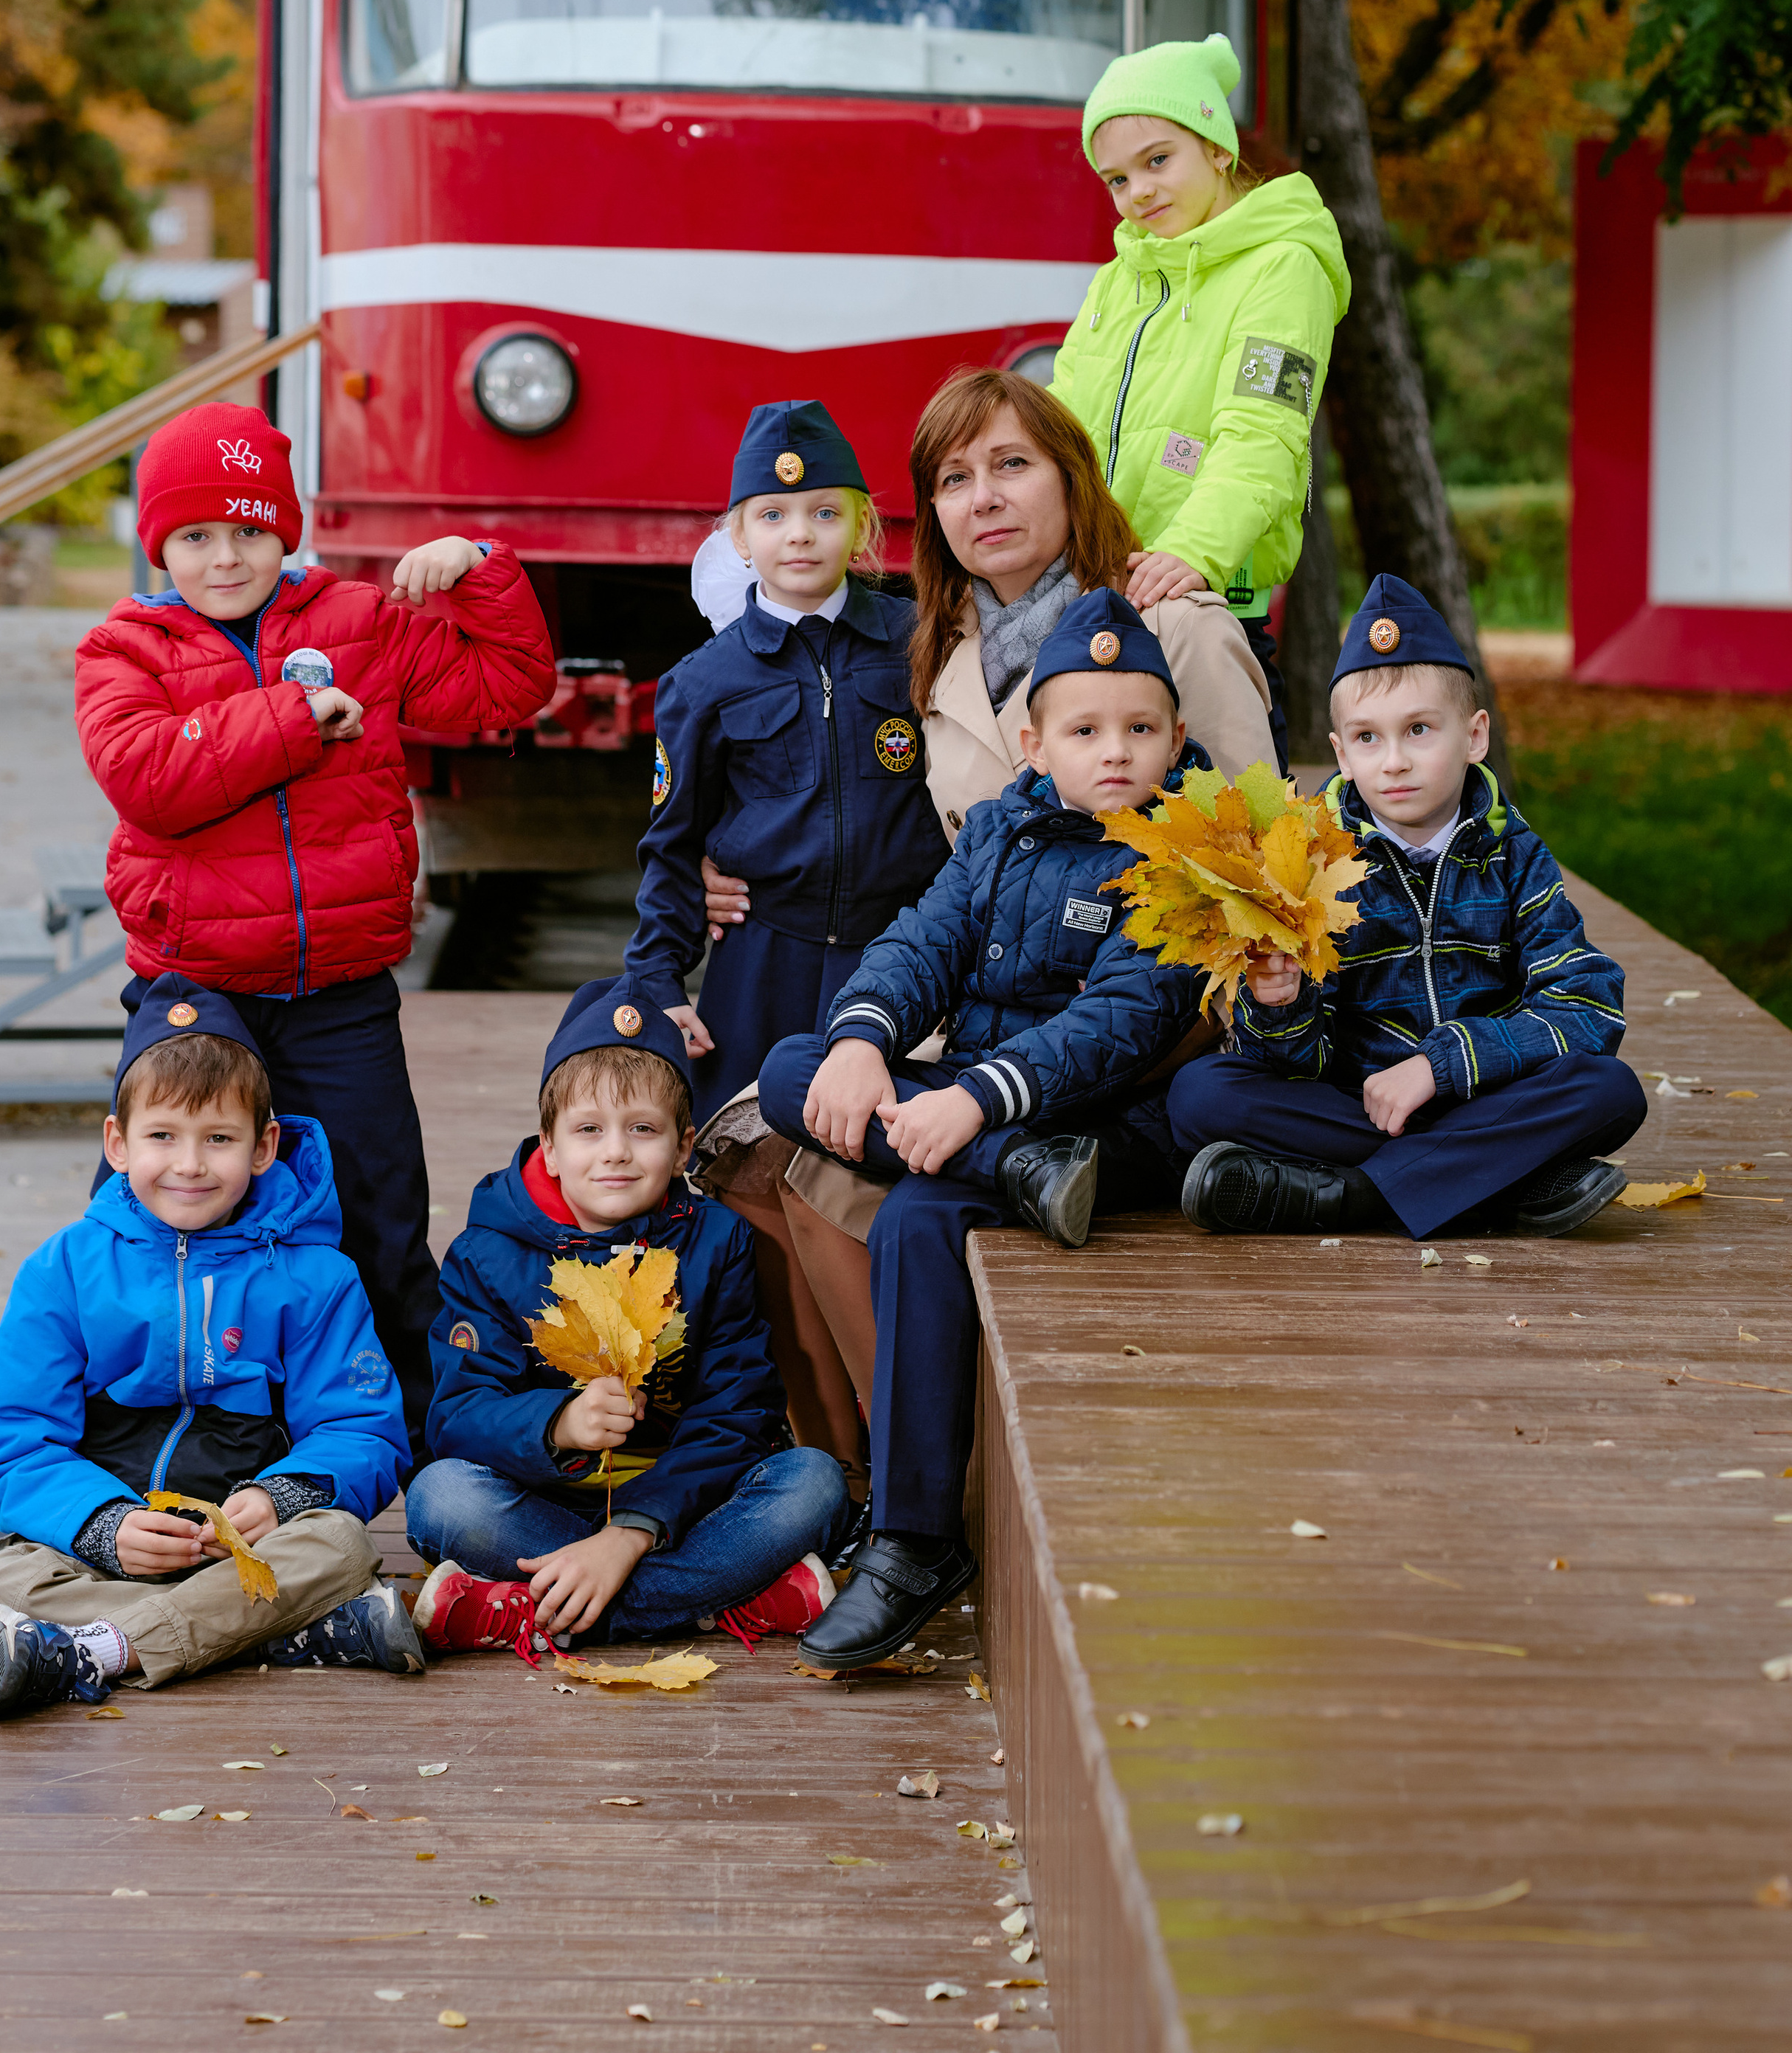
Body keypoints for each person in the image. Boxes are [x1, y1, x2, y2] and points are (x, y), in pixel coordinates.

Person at [701, 367, 1267, 1386]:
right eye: (954, 480)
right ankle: (854, 1467)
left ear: (1072, 480)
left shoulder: (1172, 629)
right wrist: (719, 854)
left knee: (853, 1171)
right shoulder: (938, 648)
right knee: (770, 1120)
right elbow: (904, 836)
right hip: (987, 1020)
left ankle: (910, 1477)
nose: (984, 498)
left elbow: (1261, 854)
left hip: (1147, 1036)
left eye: (1012, 466)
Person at [75, 400, 555, 1458]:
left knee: (381, 1217)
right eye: (195, 536)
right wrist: (295, 720)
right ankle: (110, 1437)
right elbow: (150, 779)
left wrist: (479, 569)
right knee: (157, 1206)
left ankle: (435, 1439)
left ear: (283, 532)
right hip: (198, 990)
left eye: (248, 530)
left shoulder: (358, 625)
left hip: (340, 989)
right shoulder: (127, 648)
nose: (224, 556)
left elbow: (509, 687)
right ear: (161, 545)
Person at [757, 591, 1205, 1666]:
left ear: (1177, 741)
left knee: (918, 1218)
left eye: (1140, 731)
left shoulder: (1186, 857)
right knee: (791, 1071)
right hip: (997, 1126)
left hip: (1101, 1122)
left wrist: (973, 1100)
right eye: (1085, 732)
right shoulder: (1002, 829)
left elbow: (1122, 1020)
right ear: (1031, 741)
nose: (1114, 753)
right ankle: (1014, 1167)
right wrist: (866, 1043)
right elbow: (923, 942)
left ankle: (912, 1540)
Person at [619, 399, 948, 1463]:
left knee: (870, 1199)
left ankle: (900, 1432)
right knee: (761, 1207)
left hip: (894, 964)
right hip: (762, 968)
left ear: (862, 530)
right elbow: (669, 847)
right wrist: (662, 978)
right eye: (771, 514)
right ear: (737, 537)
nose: (797, 534)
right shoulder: (705, 683)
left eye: (820, 511)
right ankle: (810, 1451)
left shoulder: (915, 644)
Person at [0, 983, 415, 1722]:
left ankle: (92, 1651)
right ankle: (280, 1633)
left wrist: (282, 1496)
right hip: (107, 1543)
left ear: (265, 1146)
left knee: (338, 1546)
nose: (191, 1165)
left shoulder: (316, 1277)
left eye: (220, 1138)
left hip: (239, 1546)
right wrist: (103, 1527)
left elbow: (363, 1431)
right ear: (118, 1144)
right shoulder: (65, 1268)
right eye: (163, 1136)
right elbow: (13, 1445)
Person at [1168, 575, 1647, 1239]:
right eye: (1368, 738)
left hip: (1485, 1093)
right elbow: (1292, 1061)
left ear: (1474, 736)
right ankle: (1503, 1178)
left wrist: (1440, 1065)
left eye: (1419, 729)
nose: (1394, 762)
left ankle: (1349, 1197)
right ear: (1340, 752)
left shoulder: (1512, 854)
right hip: (1354, 1107)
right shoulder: (1310, 860)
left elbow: (1589, 1005)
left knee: (1609, 1090)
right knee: (1203, 1095)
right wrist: (1280, 1006)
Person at [405, 980, 853, 1655]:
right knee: (441, 1498)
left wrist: (628, 1535)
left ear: (682, 1148)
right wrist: (556, 1424)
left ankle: (531, 1612)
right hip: (545, 1504)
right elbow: (457, 1414)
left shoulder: (717, 1243)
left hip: (682, 1506)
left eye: (642, 1130)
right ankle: (714, 1601)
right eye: (589, 1130)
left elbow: (738, 1412)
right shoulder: (485, 1254)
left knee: (813, 1483)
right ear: (549, 1147)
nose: (615, 1151)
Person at [1051, 32, 1352, 769]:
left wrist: (1192, 550)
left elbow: (1263, 434)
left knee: (1227, 854)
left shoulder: (1282, 267)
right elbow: (1056, 427)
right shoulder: (1117, 282)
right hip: (1097, 610)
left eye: (1158, 160)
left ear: (1218, 148)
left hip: (1206, 610)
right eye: (1116, 179)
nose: (1140, 192)